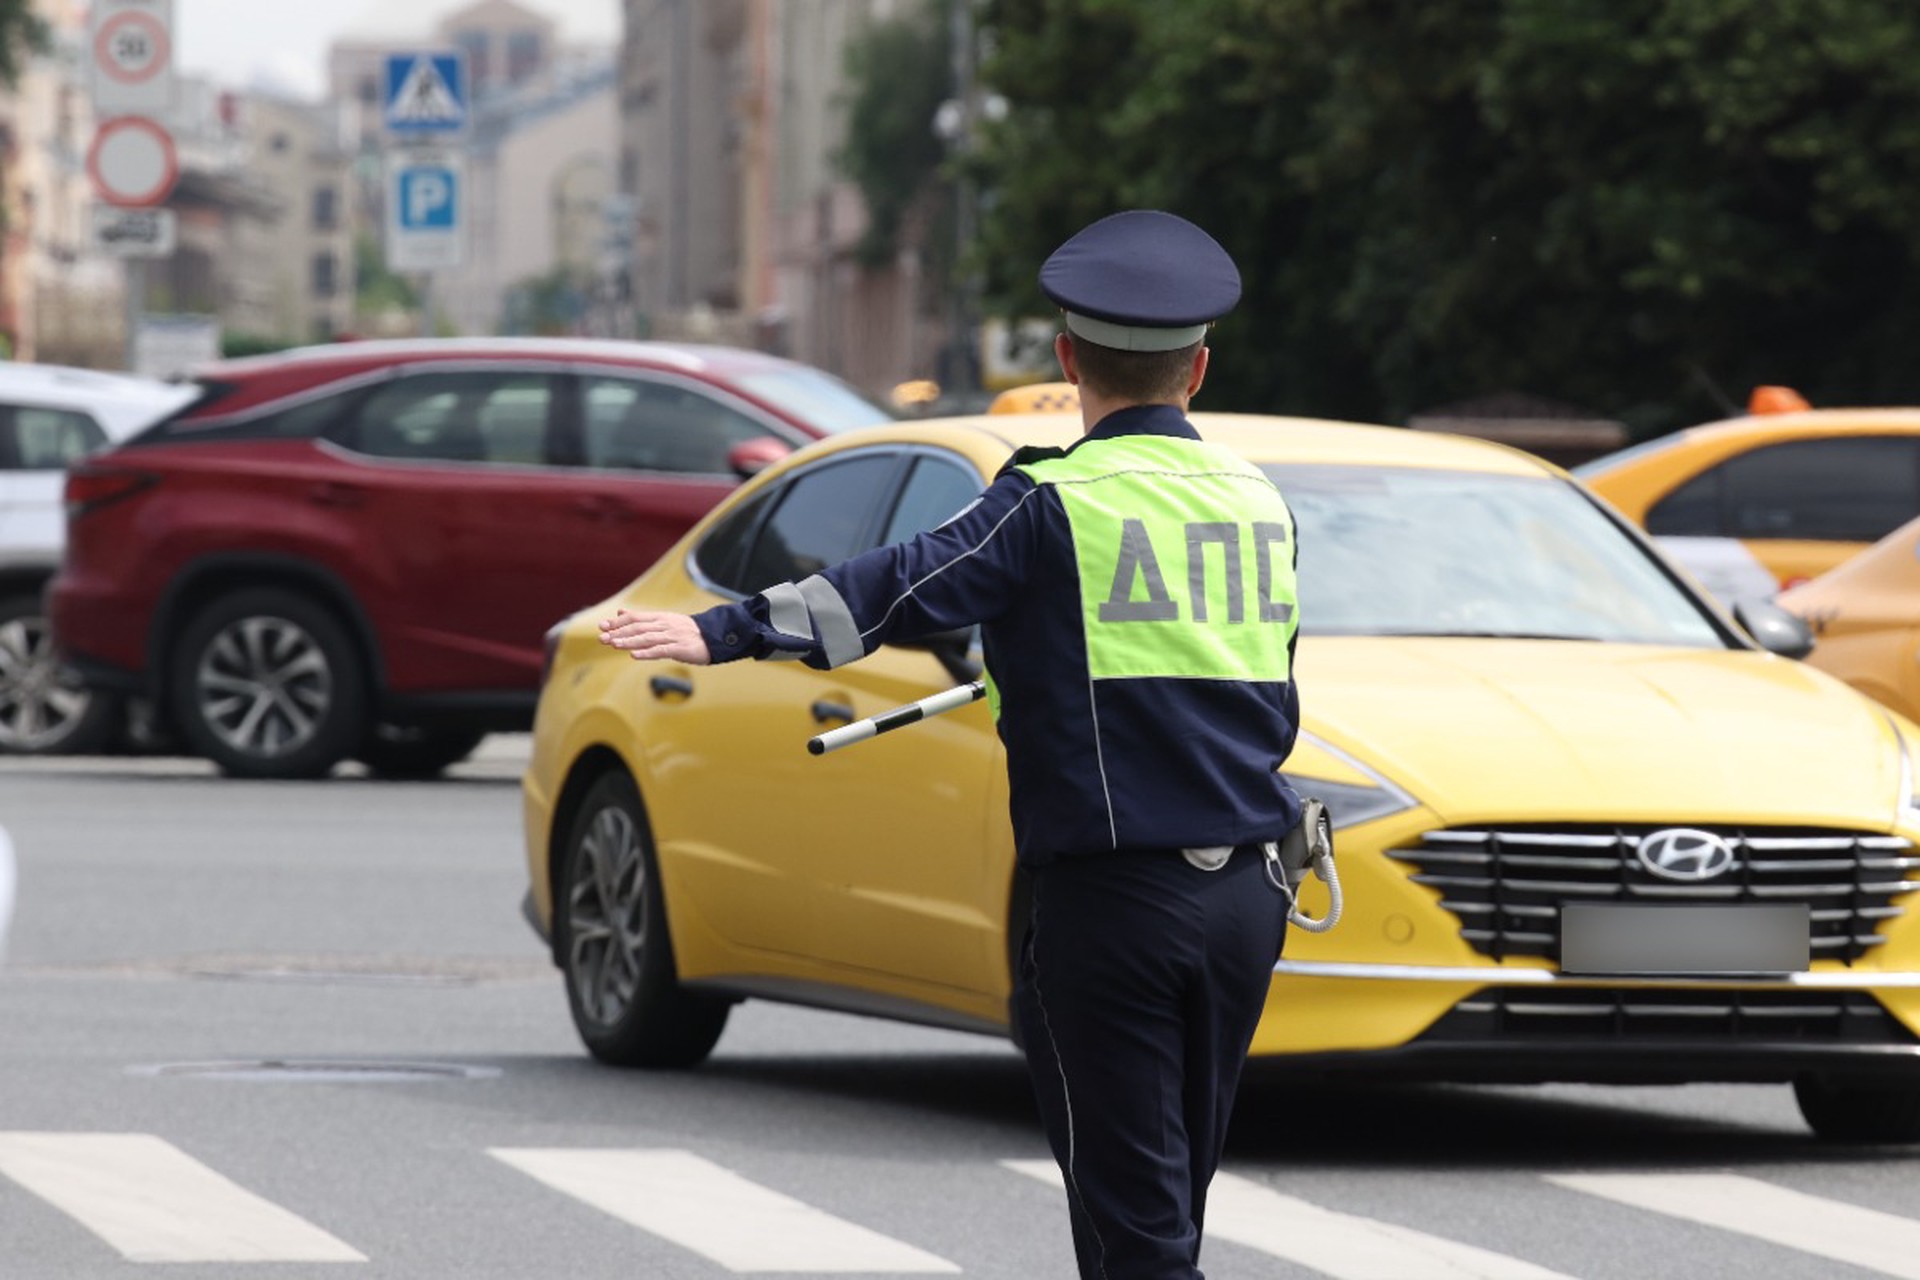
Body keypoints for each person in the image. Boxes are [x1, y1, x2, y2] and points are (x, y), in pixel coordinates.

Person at [600, 209, 1303, 1280]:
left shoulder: (1047, 500)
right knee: (1169, 1209)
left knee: (1137, 1239)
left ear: (1066, 359)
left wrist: (721, 626)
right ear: (1198, 369)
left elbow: (893, 586)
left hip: (1115, 908)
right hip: (1247, 901)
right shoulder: (1261, 502)